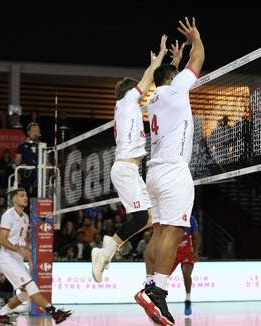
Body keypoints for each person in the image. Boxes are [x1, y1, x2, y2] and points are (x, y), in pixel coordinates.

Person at [135, 17, 204, 326]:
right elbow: (199, 57)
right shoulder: (177, 89)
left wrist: (172, 63)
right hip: (174, 171)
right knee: (173, 233)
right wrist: (195, 37)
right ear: (174, 77)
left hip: (155, 172)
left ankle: (150, 285)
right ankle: (159, 293)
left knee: (160, 232)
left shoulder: (155, 99)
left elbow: (170, 76)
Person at [91, 34, 168, 283]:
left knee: (150, 218)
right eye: (137, 90)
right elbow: (146, 81)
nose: (141, 92)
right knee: (140, 218)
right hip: (124, 168)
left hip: (129, 169)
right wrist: (158, 60)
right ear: (128, 92)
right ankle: (105, 250)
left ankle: (114, 246)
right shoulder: (126, 100)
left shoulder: (127, 107)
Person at [0, 188, 71, 325]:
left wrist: (28, 256)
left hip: (17, 259)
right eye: (22, 195)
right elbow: (2, 240)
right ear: (14, 199)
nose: (25, 198)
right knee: (31, 287)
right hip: (7, 259)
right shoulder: (8, 215)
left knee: (25, 294)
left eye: (26, 196)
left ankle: (1, 314)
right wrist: (19, 250)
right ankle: (54, 312)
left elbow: (23, 241)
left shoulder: (25, 217)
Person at [169, 215, 201, 316]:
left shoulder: (191, 218)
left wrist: (195, 252)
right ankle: (157, 303)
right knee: (163, 277)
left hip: (187, 251)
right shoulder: (171, 216)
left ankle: (188, 300)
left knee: (186, 273)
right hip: (173, 251)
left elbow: (197, 236)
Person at [15, 122, 41, 195]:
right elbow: (17, 162)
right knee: (24, 197)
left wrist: (46, 178)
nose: (36, 133)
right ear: (28, 132)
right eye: (33, 131)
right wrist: (17, 174)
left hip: (38, 175)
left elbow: (46, 161)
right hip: (25, 175)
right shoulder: (22, 146)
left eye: (37, 131)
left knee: (37, 198)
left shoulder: (42, 145)